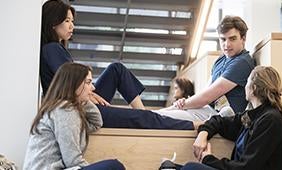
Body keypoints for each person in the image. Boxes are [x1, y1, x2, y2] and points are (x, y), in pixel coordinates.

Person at [40, 0, 195, 130]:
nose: (72, 26)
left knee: (116, 69)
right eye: (67, 21)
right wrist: (88, 93)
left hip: (82, 103)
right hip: (80, 110)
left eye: (72, 21)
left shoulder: (56, 49)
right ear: (53, 22)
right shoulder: (52, 49)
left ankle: (143, 114)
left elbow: (72, 83)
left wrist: (89, 92)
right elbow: (70, 83)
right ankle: (191, 125)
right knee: (143, 117)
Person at [164, 66, 282, 170]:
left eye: (247, 82)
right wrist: (203, 133)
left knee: (190, 168)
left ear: (253, 89)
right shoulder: (253, 115)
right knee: (170, 166)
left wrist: (208, 159)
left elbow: (246, 167)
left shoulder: (270, 120)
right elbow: (219, 121)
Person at [23, 63, 125, 170]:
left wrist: (82, 98)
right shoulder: (64, 110)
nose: (93, 88)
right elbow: (72, 160)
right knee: (113, 166)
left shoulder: (66, 108)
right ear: (74, 84)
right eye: (88, 82)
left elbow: (96, 123)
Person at [156, 15, 255, 121]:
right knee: (160, 114)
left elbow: (207, 97)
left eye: (232, 39)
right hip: (207, 109)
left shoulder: (242, 62)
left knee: (162, 117)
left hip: (220, 117)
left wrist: (181, 105)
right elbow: (205, 91)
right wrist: (181, 103)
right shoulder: (221, 59)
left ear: (243, 39)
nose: (227, 44)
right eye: (223, 39)